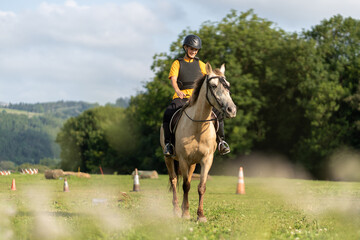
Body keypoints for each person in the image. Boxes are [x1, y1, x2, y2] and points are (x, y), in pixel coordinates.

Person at [162, 34, 230, 156]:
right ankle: (169, 144)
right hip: (182, 97)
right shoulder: (177, 63)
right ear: (185, 48)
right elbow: (173, 79)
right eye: (191, 49)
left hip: (197, 99)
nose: (193, 51)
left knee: (218, 114)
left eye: (196, 49)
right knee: (168, 113)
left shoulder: (201, 65)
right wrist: (177, 90)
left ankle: (221, 142)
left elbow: (211, 77)